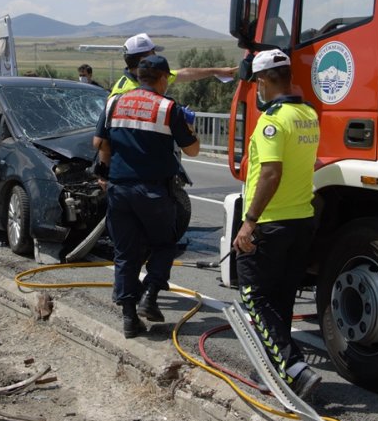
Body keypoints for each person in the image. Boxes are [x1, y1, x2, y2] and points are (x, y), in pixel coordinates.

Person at [231, 48, 322, 399]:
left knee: (253, 296)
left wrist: (249, 222)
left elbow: (270, 172)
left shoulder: (272, 121)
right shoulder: (307, 115)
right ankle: (273, 369)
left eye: (257, 82)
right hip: (300, 221)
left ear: (266, 80)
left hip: (269, 223)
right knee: (280, 299)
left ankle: (295, 369)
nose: (258, 89)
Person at [93, 54, 200, 338]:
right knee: (164, 244)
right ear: (163, 78)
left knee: (125, 254)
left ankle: (130, 320)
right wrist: (190, 126)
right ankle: (150, 295)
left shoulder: (114, 102)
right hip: (154, 191)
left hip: (119, 189)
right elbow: (192, 150)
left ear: (139, 77)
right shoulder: (168, 108)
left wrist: (104, 173)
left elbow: (99, 143)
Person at [109, 33, 236, 97]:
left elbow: (185, 73)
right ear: (143, 59)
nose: (156, 57)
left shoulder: (154, 76)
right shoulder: (123, 92)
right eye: (153, 53)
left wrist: (216, 71)